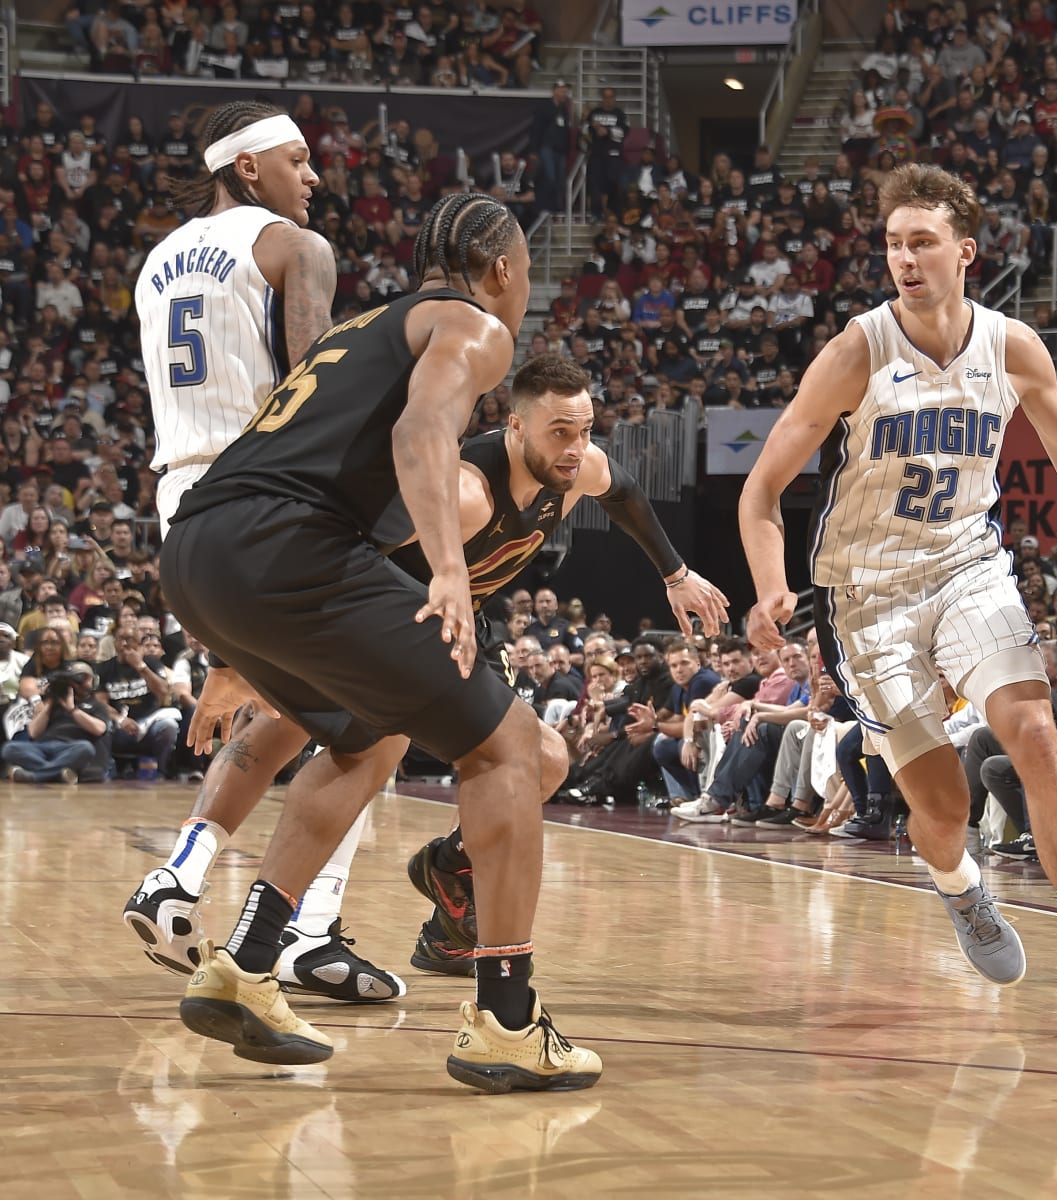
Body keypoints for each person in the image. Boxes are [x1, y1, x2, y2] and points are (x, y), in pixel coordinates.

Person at [159, 192, 602, 1091]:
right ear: (506, 270)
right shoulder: (476, 326)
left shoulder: (360, 327)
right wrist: (448, 567)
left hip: (199, 549)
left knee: (364, 738)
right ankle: (507, 1023)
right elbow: (421, 431)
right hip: (290, 547)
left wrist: (230, 653)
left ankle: (243, 969)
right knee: (513, 747)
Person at [739, 163, 1057, 1043]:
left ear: (964, 252)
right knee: (941, 815)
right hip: (865, 596)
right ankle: (961, 889)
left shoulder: (1012, 345)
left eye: (922, 241)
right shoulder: (856, 351)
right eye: (893, 243)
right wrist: (768, 589)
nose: (903, 257)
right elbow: (761, 492)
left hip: (969, 565)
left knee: (1037, 730)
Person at [121, 100, 410, 999]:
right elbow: (312, 396)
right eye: (298, 160)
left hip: (181, 506)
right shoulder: (293, 247)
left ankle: (180, 879)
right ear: (249, 170)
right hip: (269, 498)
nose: (314, 177)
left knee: (302, 711)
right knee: (383, 704)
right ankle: (303, 931)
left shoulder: (154, 264)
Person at [387, 353, 728, 973]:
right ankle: (276, 929)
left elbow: (623, 493)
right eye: (560, 433)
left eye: (586, 430)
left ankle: (446, 902)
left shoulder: (580, 469)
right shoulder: (466, 491)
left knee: (544, 762)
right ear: (516, 427)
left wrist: (676, 574)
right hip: (392, 624)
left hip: (470, 628)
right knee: (340, 758)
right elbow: (361, 546)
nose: (577, 448)